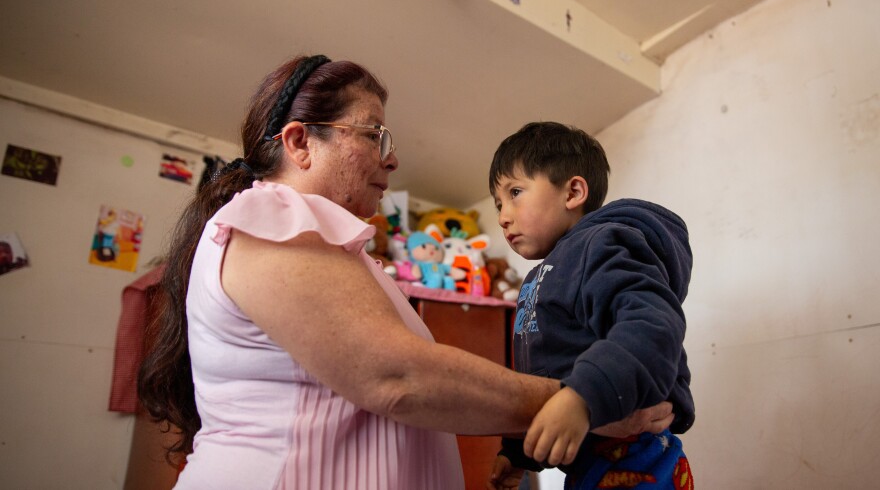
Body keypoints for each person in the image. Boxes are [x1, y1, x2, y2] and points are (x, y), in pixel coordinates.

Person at [137, 56, 674, 490]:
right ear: (300, 142)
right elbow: (398, 377)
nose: (391, 159)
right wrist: (583, 401)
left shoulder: (329, 247)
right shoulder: (277, 220)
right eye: (374, 135)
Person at [487, 122, 695, 490]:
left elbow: (652, 325)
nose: (503, 215)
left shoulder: (601, 246)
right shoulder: (544, 275)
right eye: (499, 203)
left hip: (636, 455)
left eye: (515, 192)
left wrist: (583, 397)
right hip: (587, 465)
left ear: (574, 192)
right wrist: (519, 452)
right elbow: (550, 370)